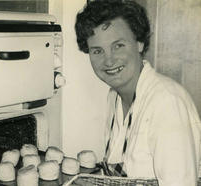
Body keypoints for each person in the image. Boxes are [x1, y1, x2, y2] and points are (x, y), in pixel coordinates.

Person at [74, 0, 201, 185]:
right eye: (97, 51)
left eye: (118, 46)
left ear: (139, 43)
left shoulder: (166, 102)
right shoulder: (113, 97)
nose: (108, 61)